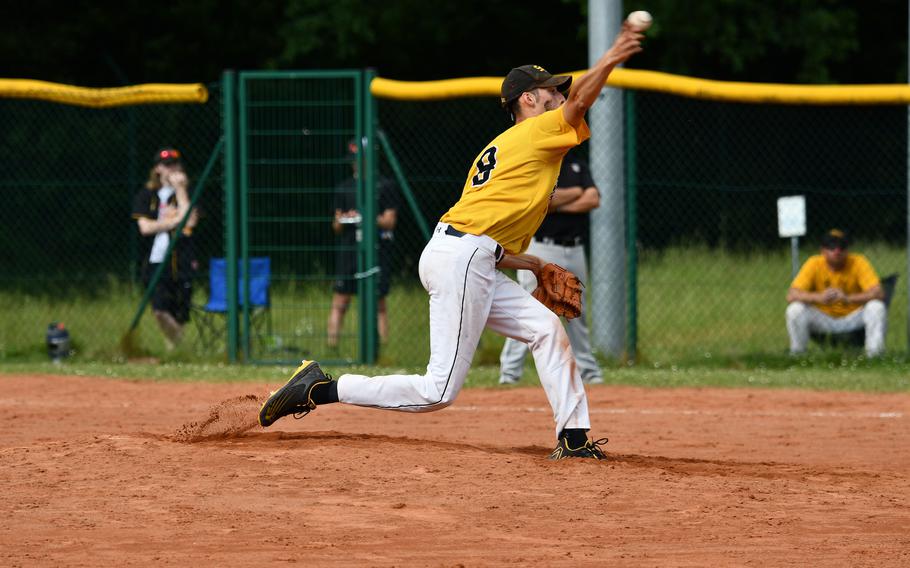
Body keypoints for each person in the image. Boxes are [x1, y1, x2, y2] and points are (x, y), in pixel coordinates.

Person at [259, 24, 644, 460]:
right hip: (464, 260)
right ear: (528, 99)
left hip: (468, 255)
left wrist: (534, 266)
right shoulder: (536, 132)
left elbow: (486, 237)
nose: (559, 97)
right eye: (550, 91)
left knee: (545, 329)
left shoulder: (508, 147)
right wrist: (611, 56)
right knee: (437, 390)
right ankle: (322, 389)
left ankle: (573, 439)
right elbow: (580, 102)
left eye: (559, 91)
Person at [498, 149, 604, 385]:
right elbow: (545, 200)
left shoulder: (577, 164)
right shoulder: (540, 164)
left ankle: (588, 370)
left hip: (574, 249)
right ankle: (509, 373)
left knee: (576, 309)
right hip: (541, 248)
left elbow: (593, 198)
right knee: (528, 307)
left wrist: (558, 204)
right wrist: (576, 193)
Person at [327, 139, 400, 349]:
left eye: (360, 159)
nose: (355, 164)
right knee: (340, 300)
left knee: (379, 303)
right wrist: (344, 218)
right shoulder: (344, 188)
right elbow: (336, 225)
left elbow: (389, 221)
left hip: (377, 249)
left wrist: (366, 217)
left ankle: (383, 348)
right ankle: (332, 347)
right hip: (350, 249)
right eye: (353, 160)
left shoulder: (385, 186)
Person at [132, 148, 199, 350]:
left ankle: (174, 354)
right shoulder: (146, 194)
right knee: (160, 310)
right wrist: (174, 220)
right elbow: (145, 228)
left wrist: (180, 190)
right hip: (155, 261)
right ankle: (182, 348)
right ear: (158, 169)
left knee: (179, 313)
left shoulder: (188, 192)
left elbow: (190, 222)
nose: (171, 168)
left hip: (182, 259)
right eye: (166, 164)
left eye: (174, 164)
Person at [786, 229, 886, 357]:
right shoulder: (814, 263)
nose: (837, 251)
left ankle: (875, 356)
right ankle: (798, 355)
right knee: (795, 310)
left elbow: (878, 292)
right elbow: (792, 294)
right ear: (823, 250)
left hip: (852, 316)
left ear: (847, 250)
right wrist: (819, 297)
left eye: (842, 247)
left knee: (877, 307)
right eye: (831, 247)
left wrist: (847, 298)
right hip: (822, 317)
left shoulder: (858, 261)